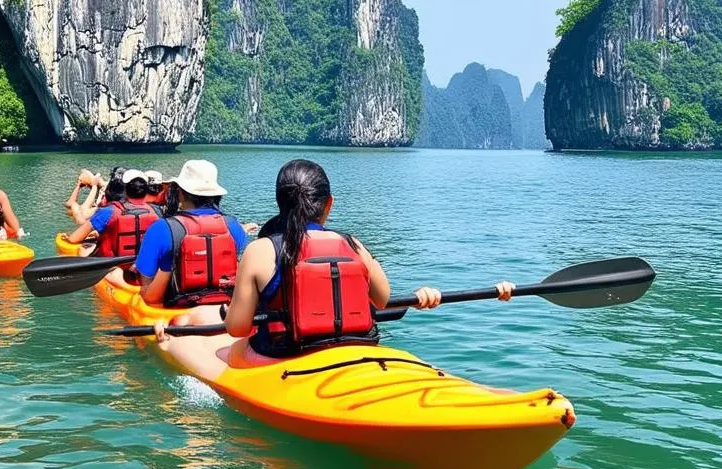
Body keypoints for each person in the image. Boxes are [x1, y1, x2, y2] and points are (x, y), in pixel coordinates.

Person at [151, 158, 513, 379]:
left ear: (279, 204)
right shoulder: (353, 244)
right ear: (328, 206)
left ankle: (167, 346)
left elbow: (238, 327)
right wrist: (423, 296)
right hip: (357, 349)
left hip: (283, 357)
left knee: (214, 347)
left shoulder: (262, 250)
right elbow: (384, 301)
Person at [134, 159, 250, 308]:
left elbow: (146, 284)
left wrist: (167, 265)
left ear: (181, 193)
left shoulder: (162, 228)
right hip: (225, 305)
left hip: (178, 308)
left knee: (147, 290)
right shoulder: (233, 226)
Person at [66, 169, 161, 257]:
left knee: (83, 250)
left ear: (125, 191)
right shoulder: (157, 212)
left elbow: (74, 239)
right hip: (141, 263)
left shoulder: (108, 211)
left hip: (113, 264)